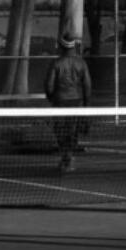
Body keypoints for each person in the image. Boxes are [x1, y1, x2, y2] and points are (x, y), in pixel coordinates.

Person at [45, 32, 92, 172]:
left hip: (59, 101)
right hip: (76, 101)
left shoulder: (56, 63)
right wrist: (87, 104)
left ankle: (66, 158)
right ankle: (68, 158)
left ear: (61, 45)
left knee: (60, 130)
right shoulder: (81, 63)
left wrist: (51, 98)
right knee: (71, 131)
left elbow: (49, 85)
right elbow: (87, 85)